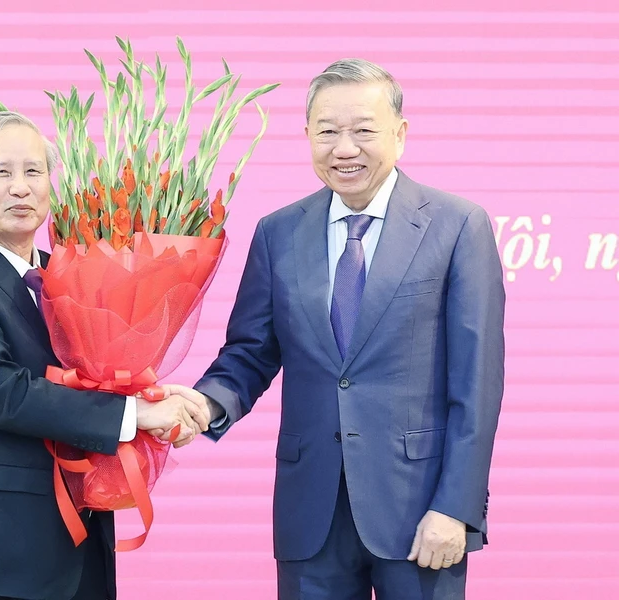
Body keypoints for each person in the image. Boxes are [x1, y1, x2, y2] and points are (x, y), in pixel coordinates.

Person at [164, 59, 505, 599]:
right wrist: (204, 406)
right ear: (306, 137)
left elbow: (477, 386)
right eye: (327, 132)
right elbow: (250, 352)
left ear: (400, 134)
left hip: (419, 510)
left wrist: (456, 507)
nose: (344, 148)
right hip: (311, 511)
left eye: (363, 130)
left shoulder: (458, 226)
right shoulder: (278, 232)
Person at [0, 111, 207, 600]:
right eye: (2, 172)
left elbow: (98, 378)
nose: (21, 188)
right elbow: (4, 394)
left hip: (80, 546)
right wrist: (136, 414)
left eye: (34, 172)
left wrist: (155, 395)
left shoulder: (70, 276)